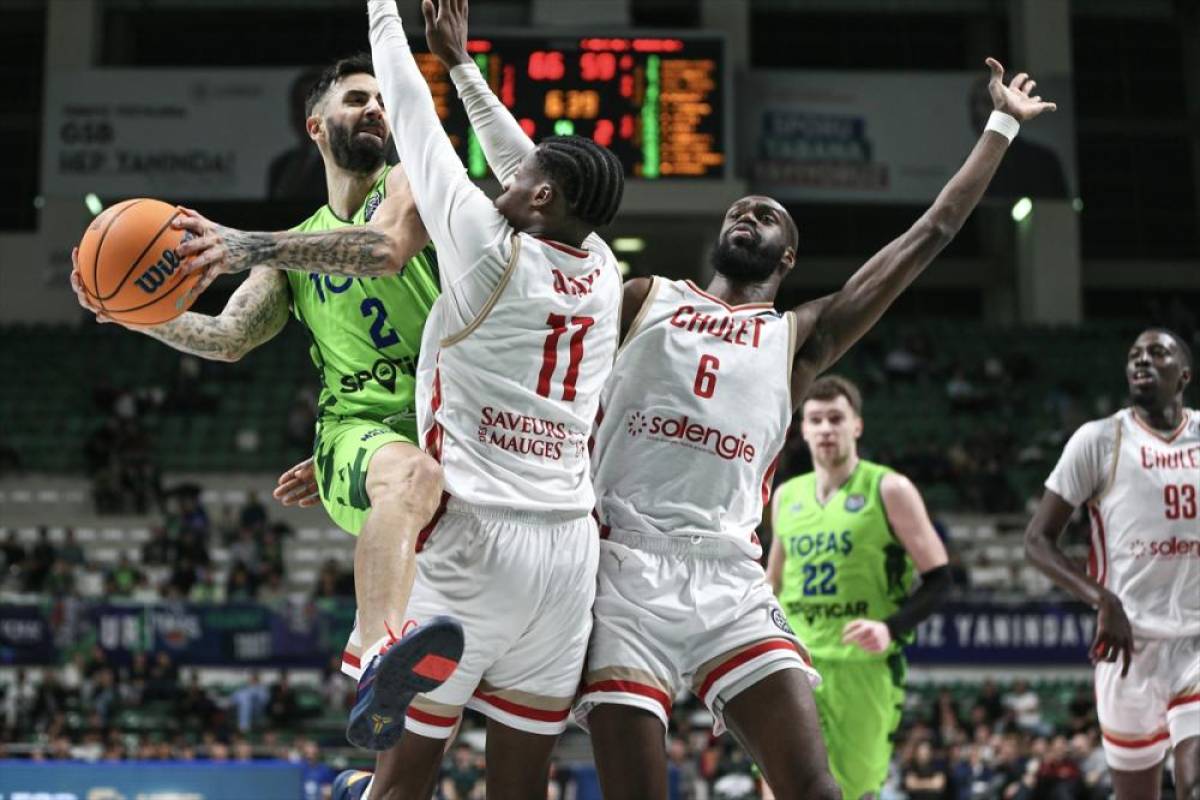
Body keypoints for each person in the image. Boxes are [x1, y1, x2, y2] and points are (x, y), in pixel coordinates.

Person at [573, 55, 1055, 800]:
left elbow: (931, 233)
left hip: (729, 575)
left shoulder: (797, 337)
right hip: (621, 569)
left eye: (766, 215)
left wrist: (1000, 126)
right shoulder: (645, 297)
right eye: (738, 211)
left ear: (789, 255)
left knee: (814, 789)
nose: (747, 215)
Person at [69, 52, 462, 751]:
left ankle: (370, 783)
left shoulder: (412, 184)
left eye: (381, 100)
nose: (375, 108)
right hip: (360, 430)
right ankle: (378, 656)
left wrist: (245, 245)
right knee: (409, 475)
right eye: (356, 99)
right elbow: (228, 337)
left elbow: (382, 251)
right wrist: (132, 315)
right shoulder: (291, 250)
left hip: (453, 425)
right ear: (316, 126)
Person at [329, 1, 624, 798]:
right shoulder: (603, 268)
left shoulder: (490, 251)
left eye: (519, 180)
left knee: (404, 783)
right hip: (567, 554)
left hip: (476, 538)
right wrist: (460, 62)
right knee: (521, 789)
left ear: (541, 199)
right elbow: (531, 162)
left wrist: (383, 13)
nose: (505, 177)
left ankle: (368, 770)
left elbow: (411, 115)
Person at [1025, 328, 1198, 800]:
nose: (1142, 360)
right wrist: (1103, 600)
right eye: (1134, 353)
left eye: (1157, 353)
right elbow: (1037, 541)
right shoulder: (1099, 440)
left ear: (1184, 375)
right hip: (1128, 647)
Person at [765, 376, 950, 800]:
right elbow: (771, 583)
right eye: (816, 420)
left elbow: (941, 580)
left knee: (853, 792)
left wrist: (890, 627)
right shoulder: (787, 496)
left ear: (857, 426)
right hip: (794, 661)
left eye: (836, 418)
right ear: (802, 429)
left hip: (860, 665)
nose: (826, 428)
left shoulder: (889, 489)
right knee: (778, 784)